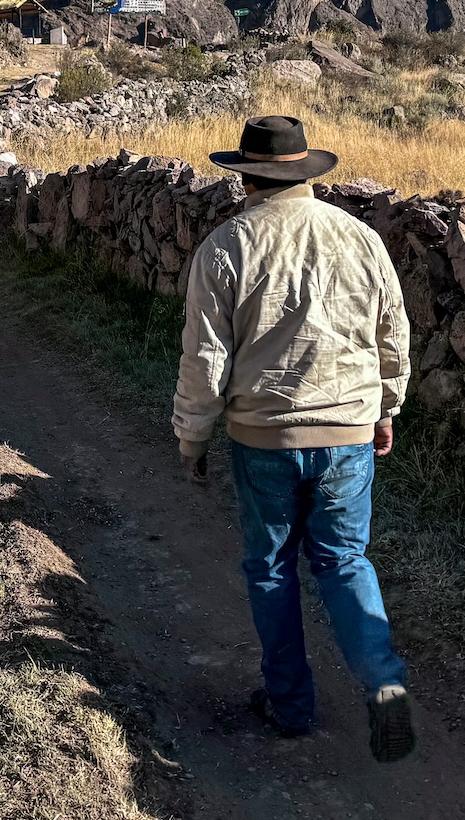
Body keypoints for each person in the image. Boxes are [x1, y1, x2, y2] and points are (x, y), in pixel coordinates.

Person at [173, 113, 415, 761]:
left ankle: (289, 702)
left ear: (245, 174)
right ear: (306, 170)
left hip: (264, 436)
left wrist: (192, 438)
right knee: (343, 559)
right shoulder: (361, 238)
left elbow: (205, 358)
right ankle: (384, 680)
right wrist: (385, 408)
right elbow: (391, 334)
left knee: (272, 567)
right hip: (348, 430)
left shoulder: (225, 246)